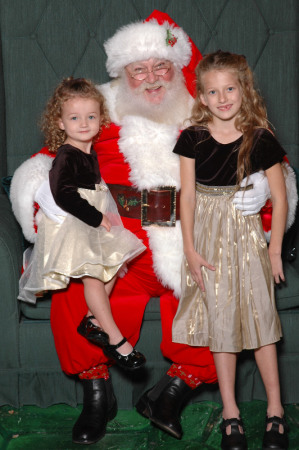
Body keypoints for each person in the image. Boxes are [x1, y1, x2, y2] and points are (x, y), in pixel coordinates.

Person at [10, 11, 296, 445]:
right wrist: (42, 193)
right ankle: (96, 395)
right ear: (122, 74)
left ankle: (172, 391)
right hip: (119, 242)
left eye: (161, 66)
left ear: (179, 66)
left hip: (195, 238)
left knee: (218, 293)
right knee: (74, 291)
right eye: (138, 69)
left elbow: (273, 161)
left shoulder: (209, 108)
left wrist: (264, 189)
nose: (151, 78)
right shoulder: (100, 111)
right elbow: (45, 159)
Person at [172, 50, 289, 450]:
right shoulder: (191, 138)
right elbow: (186, 197)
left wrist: (274, 250)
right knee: (221, 325)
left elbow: (281, 195)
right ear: (202, 97)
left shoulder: (260, 137)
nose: (223, 98)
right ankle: (230, 413)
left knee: (262, 323)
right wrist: (189, 248)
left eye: (230, 88)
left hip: (247, 235)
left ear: (243, 90)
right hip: (208, 238)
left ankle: (276, 410)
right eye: (213, 91)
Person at [18, 77, 146, 372]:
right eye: (74, 118)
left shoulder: (88, 150)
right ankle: (116, 340)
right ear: (60, 122)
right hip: (76, 221)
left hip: (91, 215)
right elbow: (64, 194)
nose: (84, 123)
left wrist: (104, 214)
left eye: (91, 116)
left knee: (116, 261)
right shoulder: (66, 154)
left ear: (101, 119)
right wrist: (98, 217)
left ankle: (91, 319)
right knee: (92, 276)